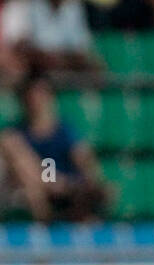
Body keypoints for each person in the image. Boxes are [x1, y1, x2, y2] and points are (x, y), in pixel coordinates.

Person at [0, 72, 109, 222]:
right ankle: (47, 222)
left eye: (41, 94)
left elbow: (85, 162)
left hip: (65, 191)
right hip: (34, 194)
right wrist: (54, 184)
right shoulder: (13, 136)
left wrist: (89, 182)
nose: (36, 101)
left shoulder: (66, 132)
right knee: (32, 192)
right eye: (32, 95)